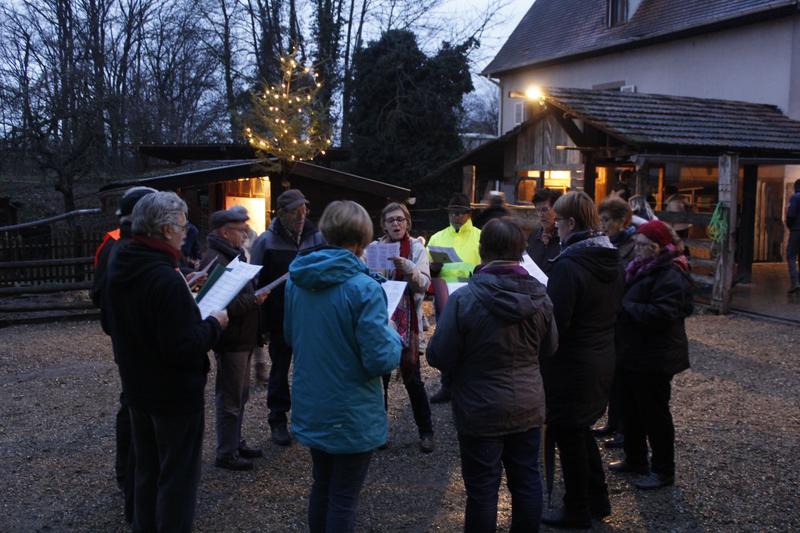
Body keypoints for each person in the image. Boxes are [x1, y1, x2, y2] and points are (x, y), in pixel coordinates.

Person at [104, 191, 228, 533]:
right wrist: (215, 324)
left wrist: (181, 290)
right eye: (184, 226)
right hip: (173, 395)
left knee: (146, 473)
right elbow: (182, 347)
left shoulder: (126, 260)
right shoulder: (161, 275)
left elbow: (139, 317)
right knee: (177, 480)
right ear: (165, 229)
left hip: (138, 388)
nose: (187, 232)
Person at [428, 217, 558, 533]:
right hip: (527, 404)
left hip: (479, 407)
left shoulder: (464, 298)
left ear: (483, 251)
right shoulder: (540, 297)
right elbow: (550, 347)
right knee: (527, 480)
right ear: (521, 251)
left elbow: (438, 355)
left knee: (483, 490)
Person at [284, 200, 401, 533]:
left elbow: (292, 335)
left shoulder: (298, 280)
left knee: (322, 486)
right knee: (344, 498)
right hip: (352, 411)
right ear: (363, 238)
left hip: (313, 402)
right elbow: (380, 359)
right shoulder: (365, 288)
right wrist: (392, 334)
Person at [540, 191, 623, 529]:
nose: (555, 227)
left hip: (572, 365)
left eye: (558, 221)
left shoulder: (571, 264)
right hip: (601, 357)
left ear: (571, 223)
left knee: (568, 434)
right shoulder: (609, 257)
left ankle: (576, 509)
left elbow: (557, 323)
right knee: (580, 430)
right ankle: (597, 499)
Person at [610, 220, 693, 490]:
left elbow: (665, 313)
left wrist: (627, 308)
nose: (638, 249)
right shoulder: (639, 269)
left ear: (658, 248)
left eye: (644, 245)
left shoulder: (670, 274)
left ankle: (663, 470)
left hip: (656, 357)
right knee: (631, 408)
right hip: (634, 352)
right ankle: (635, 459)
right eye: (637, 244)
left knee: (655, 414)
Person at [91, 185, 156, 523]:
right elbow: (99, 292)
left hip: (130, 337)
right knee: (131, 407)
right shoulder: (116, 243)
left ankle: (132, 482)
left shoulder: (128, 241)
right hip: (130, 339)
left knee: (133, 405)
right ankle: (126, 477)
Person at [251, 189, 326, 445]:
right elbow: (255, 284)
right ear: (281, 213)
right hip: (279, 318)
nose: (301, 216)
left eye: (304, 210)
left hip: (311, 317)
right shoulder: (265, 241)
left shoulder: (317, 236)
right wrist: (261, 324)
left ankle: (311, 419)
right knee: (280, 370)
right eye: (295, 211)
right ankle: (278, 419)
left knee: (311, 370)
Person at [201, 208, 269, 471]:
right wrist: (255, 299)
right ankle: (226, 452)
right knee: (230, 397)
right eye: (240, 230)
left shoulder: (232, 255)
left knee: (240, 395)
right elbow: (221, 304)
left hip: (242, 336)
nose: (245, 234)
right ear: (225, 232)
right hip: (231, 338)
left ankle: (234, 443)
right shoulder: (218, 259)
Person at [374, 202, 434, 453]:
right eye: (391, 220)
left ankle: (426, 432)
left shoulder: (418, 249)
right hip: (383, 317)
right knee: (381, 380)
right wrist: (381, 272)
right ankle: (378, 433)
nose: (396, 224)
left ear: (407, 223)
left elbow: (425, 284)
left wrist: (410, 270)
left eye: (400, 219)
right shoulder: (376, 248)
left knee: (413, 379)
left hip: (409, 319)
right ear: (384, 225)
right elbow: (369, 280)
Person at [426, 192, 481, 403]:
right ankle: (447, 385)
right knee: (447, 341)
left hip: (473, 297)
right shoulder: (437, 238)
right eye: (452, 213)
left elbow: (486, 265)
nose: (455, 217)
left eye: (460, 213)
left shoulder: (480, 236)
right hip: (445, 297)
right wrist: (432, 268)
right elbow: (425, 269)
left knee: (472, 342)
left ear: (468, 214)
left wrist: (472, 271)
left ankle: (470, 386)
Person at [595, 197, 636, 449]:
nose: (603, 224)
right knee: (612, 375)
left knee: (625, 377)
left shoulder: (633, 245)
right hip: (610, 315)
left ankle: (625, 430)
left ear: (622, 221)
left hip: (626, 317)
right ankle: (613, 422)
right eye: (601, 219)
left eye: (607, 219)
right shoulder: (606, 243)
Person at [526, 188, 562, 272]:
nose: (541, 214)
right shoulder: (533, 236)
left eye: (545, 210)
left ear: (556, 209)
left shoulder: (564, 238)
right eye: (538, 210)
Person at [786, 179, 800, 293]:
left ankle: (795, 282)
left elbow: (791, 214)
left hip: (796, 230)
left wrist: (789, 225)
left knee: (791, 255)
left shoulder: (795, 197)